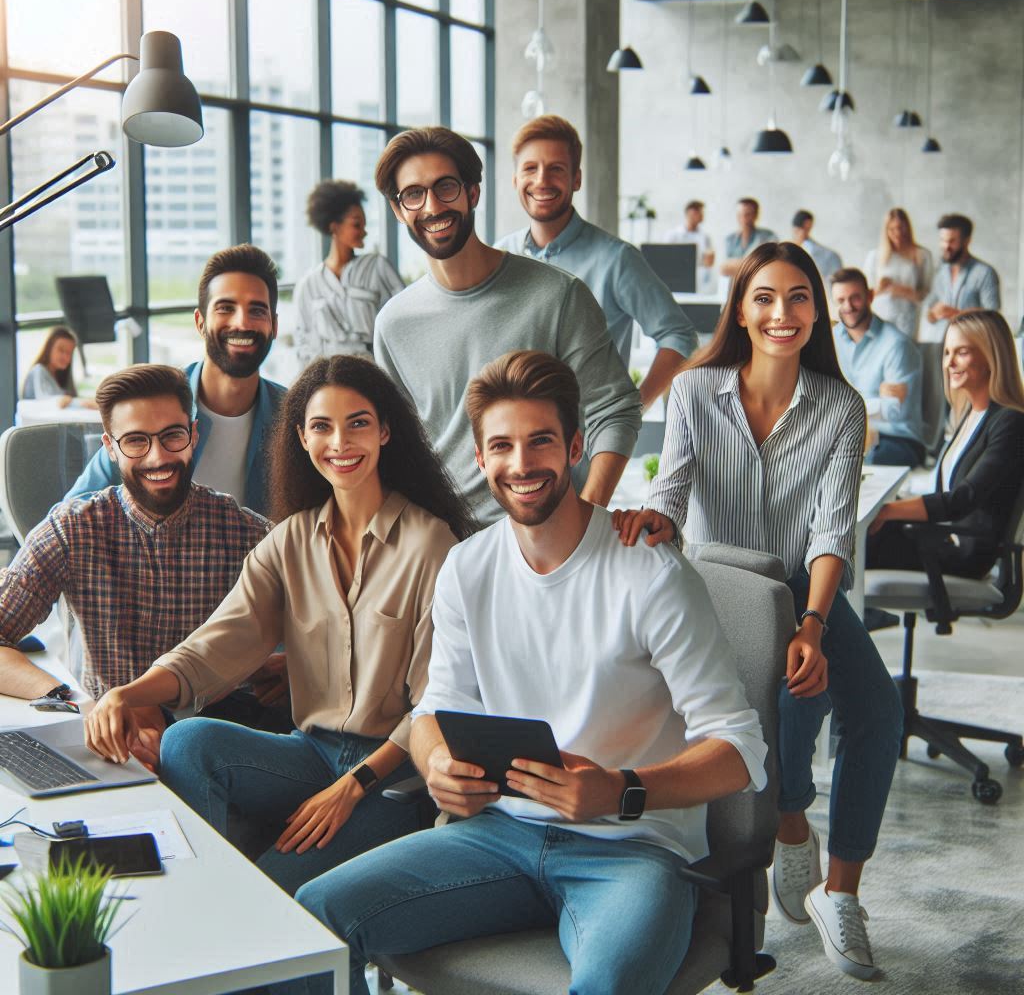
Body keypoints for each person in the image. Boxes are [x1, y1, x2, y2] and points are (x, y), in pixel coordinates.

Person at [274, 350, 767, 995]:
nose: (522, 463)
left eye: (540, 441)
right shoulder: (467, 568)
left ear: (575, 447)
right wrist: (438, 767)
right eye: (501, 445)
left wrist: (621, 790)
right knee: (312, 920)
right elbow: (434, 710)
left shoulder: (651, 576)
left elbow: (741, 750)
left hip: (632, 850)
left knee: (609, 985)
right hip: (498, 834)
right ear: (480, 460)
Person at [614, 242, 903, 982]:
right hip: (730, 591)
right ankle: (790, 816)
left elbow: (833, 527)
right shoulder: (695, 390)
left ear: (817, 310)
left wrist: (812, 623)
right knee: (781, 731)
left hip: (805, 589)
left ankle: (841, 895)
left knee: (875, 710)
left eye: (799, 297)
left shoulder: (840, 405)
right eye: (766, 297)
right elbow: (672, 492)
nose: (783, 313)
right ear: (740, 309)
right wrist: (653, 522)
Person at [84, 355, 474, 897]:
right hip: (310, 752)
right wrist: (125, 695)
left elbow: (435, 705)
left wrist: (351, 788)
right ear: (301, 438)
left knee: (278, 892)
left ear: (385, 430)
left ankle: (234, 919)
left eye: (358, 422)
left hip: (392, 776)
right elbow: (218, 645)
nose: (340, 442)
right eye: (322, 426)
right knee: (191, 741)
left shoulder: (432, 545)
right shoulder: (290, 540)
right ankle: (199, 899)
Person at [0, 365, 271, 767]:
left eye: (172, 436)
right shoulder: (73, 528)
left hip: (214, 746)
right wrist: (77, 702)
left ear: (193, 435)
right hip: (107, 742)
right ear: (110, 447)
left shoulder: (245, 532)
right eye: (136, 442)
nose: (158, 457)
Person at [372, 126, 641, 525]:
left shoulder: (557, 295)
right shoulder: (393, 324)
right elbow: (399, 449)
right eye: (413, 194)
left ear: (472, 193)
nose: (431, 207)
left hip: (548, 535)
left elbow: (614, 410)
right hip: (444, 541)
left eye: (446, 187)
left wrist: (587, 517)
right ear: (398, 210)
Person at [66, 245, 287, 517]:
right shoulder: (156, 402)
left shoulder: (291, 414)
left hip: (259, 558)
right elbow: (69, 513)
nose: (241, 323)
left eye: (257, 311)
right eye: (225, 308)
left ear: (274, 326)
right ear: (200, 322)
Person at [495, 115, 697, 409]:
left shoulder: (617, 259)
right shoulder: (500, 256)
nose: (541, 180)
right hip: (511, 440)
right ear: (515, 180)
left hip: (592, 447)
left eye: (556, 169)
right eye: (530, 168)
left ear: (576, 178)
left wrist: (633, 410)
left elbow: (679, 336)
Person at [868, 310, 1024, 579]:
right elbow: (944, 489)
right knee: (850, 535)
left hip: (963, 552)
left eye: (961, 352)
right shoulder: (969, 415)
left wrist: (887, 510)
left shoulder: (1010, 422)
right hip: (942, 537)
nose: (949, 362)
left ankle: (840, 617)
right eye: (947, 352)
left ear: (991, 356)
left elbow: (962, 499)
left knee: (854, 543)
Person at [293, 180, 404, 365]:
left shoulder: (377, 267)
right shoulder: (308, 285)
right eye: (357, 224)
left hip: (375, 376)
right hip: (328, 382)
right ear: (333, 227)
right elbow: (303, 343)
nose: (364, 232)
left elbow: (402, 320)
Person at [832, 268, 926, 467]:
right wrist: (875, 403)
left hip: (896, 439)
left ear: (870, 296)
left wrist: (840, 406)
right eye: (841, 300)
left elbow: (893, 410)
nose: (847, 306)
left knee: (857, 461)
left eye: (855, 298)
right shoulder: (831, 340)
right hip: (849, 435)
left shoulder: (896, 344)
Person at [920, 214, 1001, 343]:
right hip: (940, 345)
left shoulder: (985, 273)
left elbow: (993, 318)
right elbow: (929, 305)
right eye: (942, 240)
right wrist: (931, 314)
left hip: (973, 344)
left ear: (967, 241)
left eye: (952, 241)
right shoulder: (939, 271)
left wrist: (956, 314)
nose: (946, 246)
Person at [864, 207, 933, 339]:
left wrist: (905, 292)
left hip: (909, 316)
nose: (898, 233)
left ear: (908, 228)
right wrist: (881, 287)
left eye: (901, 228)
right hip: (882, 314)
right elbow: (866, 293)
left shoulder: (922, 255)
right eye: (892, 229)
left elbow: (929, 292)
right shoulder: (874, 256)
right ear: (886, 230)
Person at [20, 326, 98, 409]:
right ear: (48, 348)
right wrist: (86, 403)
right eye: (61, 350)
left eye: (69, 353)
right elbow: (52, 403)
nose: (66, 357)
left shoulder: (62, 378)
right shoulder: (39, 370)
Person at [665, 198, 716, 293]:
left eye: (702, 213)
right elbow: (666, 259)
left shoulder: (705, 237)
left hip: (698, 281)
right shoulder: (673, 235)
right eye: (699, 213)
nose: (702, 216)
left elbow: (709, 263)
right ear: (690, 213)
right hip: (676, 278)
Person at [720, 197, 777, 280]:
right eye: (739, 215)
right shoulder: (729, 240)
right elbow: (724, 269)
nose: (743, 219)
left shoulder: (769, 237)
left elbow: (769, 267)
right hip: (735, 287)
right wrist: (753, 264)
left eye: (747, 214)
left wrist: (735, 266)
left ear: (756, 215)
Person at [791, 210, 841, 286]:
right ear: (794, 230)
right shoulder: (784, 252)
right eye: (801, 229)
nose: (803, 233)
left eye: (808, 229)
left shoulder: (830, 256)